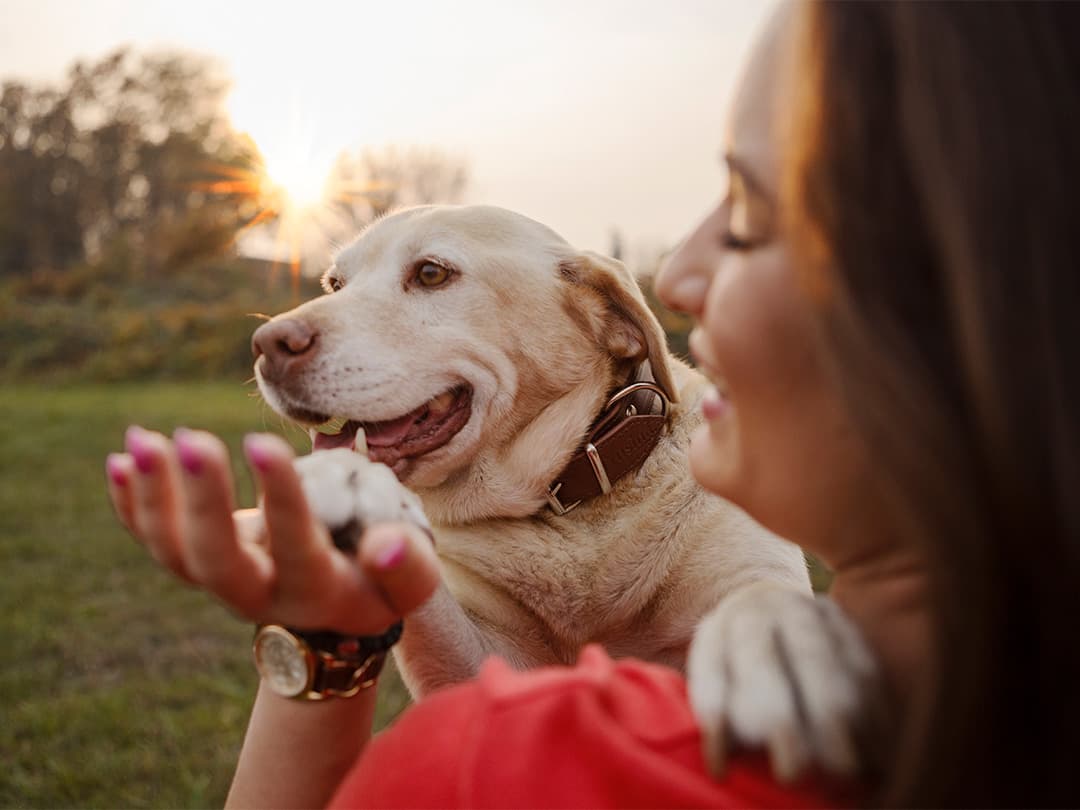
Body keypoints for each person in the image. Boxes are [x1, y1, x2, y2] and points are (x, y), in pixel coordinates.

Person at [105, 1, 1080, 806]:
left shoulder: (707, 470)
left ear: (612, 328)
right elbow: (471, 687)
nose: (299, 331)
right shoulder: (446, 494)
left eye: (432, 275)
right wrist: (349, 606)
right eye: (334, 287)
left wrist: (769, 615)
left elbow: (469, 727)